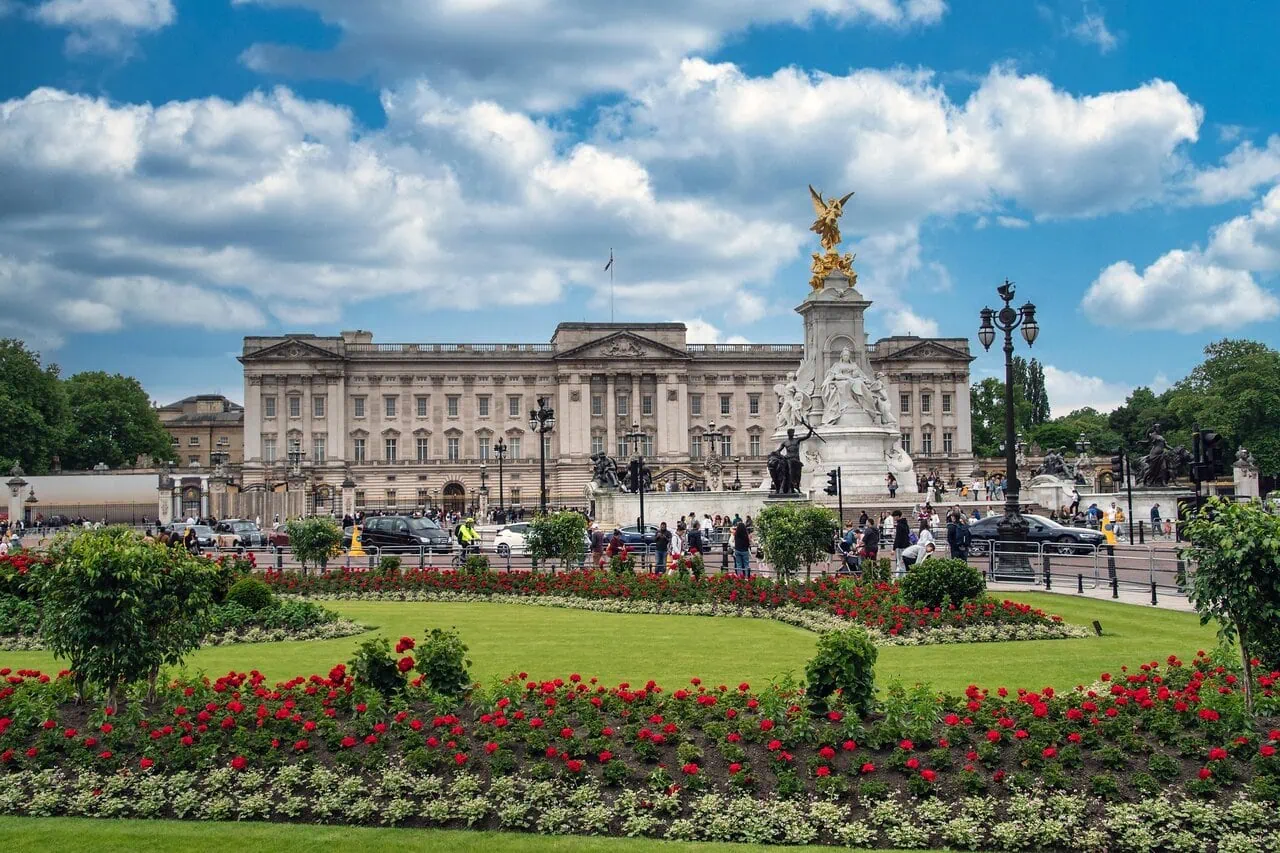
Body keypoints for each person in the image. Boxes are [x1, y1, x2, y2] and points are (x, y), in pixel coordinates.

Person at [892, 510, 911, 576]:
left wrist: (894, 548)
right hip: (906, 545)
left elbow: (898, 537)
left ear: (897, 516)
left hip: (900, 547)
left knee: (900, 562)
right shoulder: (905, 523)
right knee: (905, 561)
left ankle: (899, 577)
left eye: (894, 517)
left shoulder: (899, 525)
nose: (894, 518)